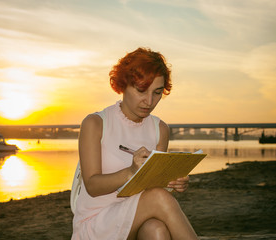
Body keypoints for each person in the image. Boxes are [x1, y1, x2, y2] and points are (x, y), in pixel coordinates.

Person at [71, 47, 197, 240]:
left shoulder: (160, 129)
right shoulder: (96, 123)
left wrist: (173, 184)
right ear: (123, 85)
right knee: (158, 198)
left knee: (157, 229)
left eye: (157, 92)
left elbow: (156, 189)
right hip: (97, 223)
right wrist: (131, 172)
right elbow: (92, 186)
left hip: (136, 220)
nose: (149, 101)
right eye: (141, 90)